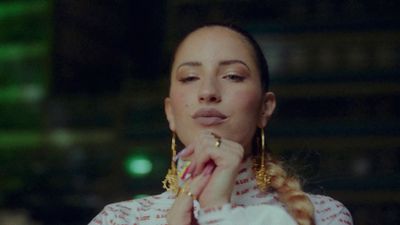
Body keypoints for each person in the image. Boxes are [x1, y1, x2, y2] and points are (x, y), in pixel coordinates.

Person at [88, 23, 353, 225]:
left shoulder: (324, 215)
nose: (208, 92)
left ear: (265, 107)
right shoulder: (119, 219)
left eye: (232, 76)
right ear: (170, 112)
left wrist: (218, 211)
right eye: (190, 77)